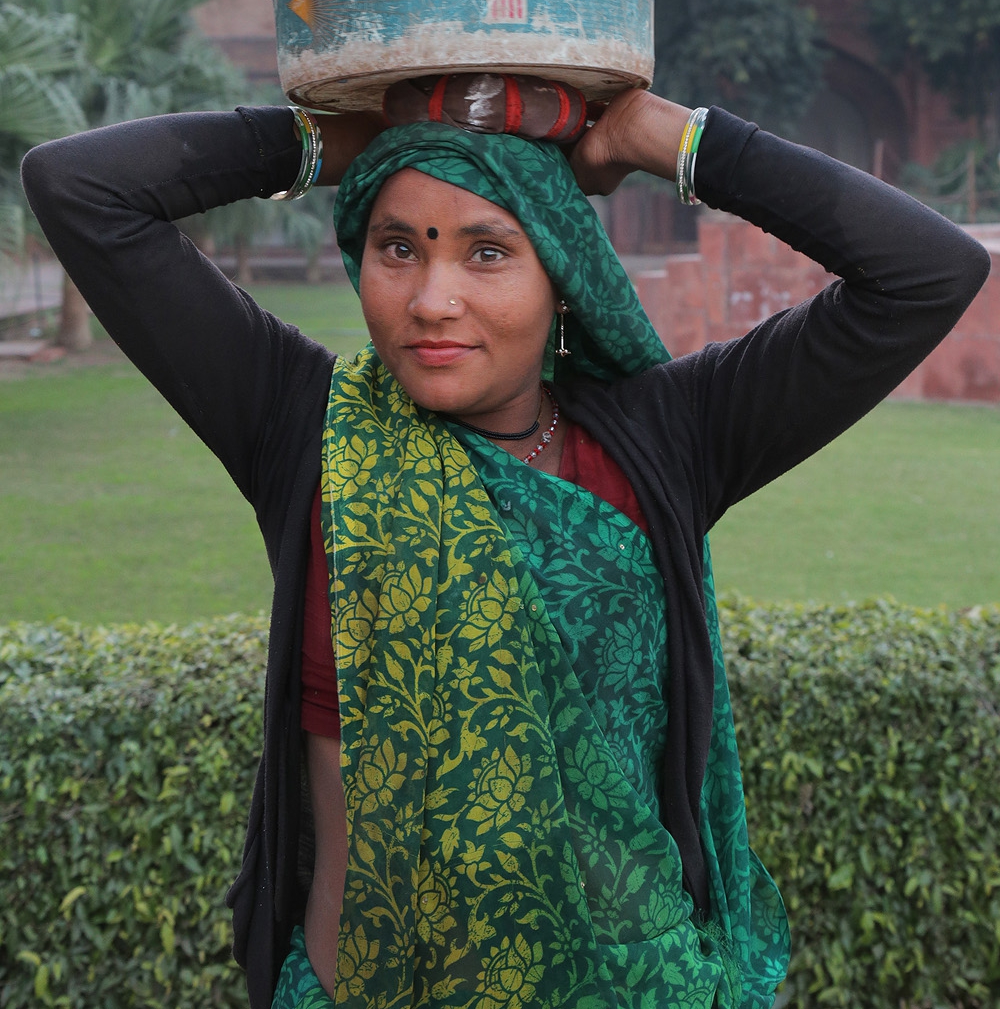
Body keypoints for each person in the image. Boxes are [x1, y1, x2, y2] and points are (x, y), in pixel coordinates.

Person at [21, 84, 989, 1009]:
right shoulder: (304, 428)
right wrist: (337, 142)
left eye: (486, 252)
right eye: (398, 247)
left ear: (560, 276)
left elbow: (923, 272)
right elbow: (82, 188)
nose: (432, 299)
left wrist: (666, 140)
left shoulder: (666, 439)